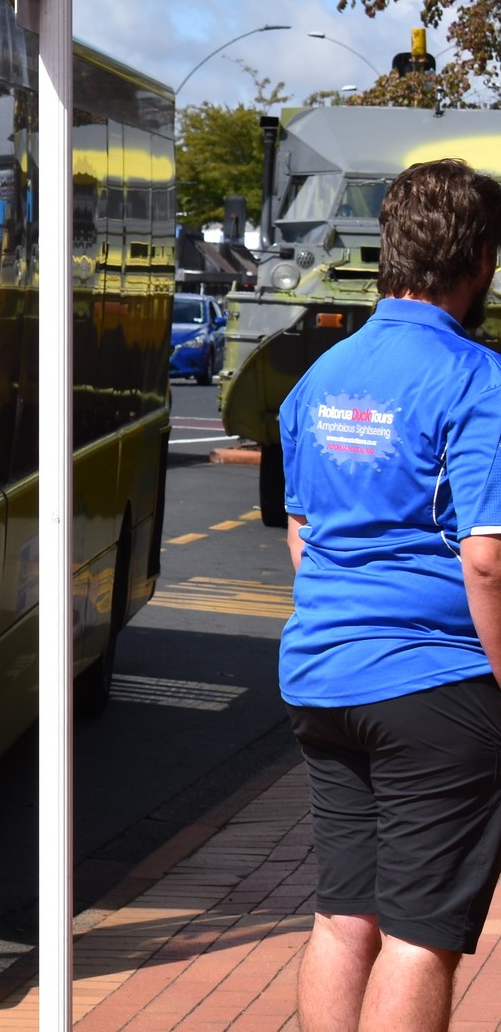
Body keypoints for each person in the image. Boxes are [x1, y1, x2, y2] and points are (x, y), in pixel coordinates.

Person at [279, 157, 501, 1032]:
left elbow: (303, 537)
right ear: (480, 260)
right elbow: (486, 559)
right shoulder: (479, 379)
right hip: (435, 687)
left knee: (345, 914)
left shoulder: (320, 376)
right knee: (422, 932)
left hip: (322, 676)